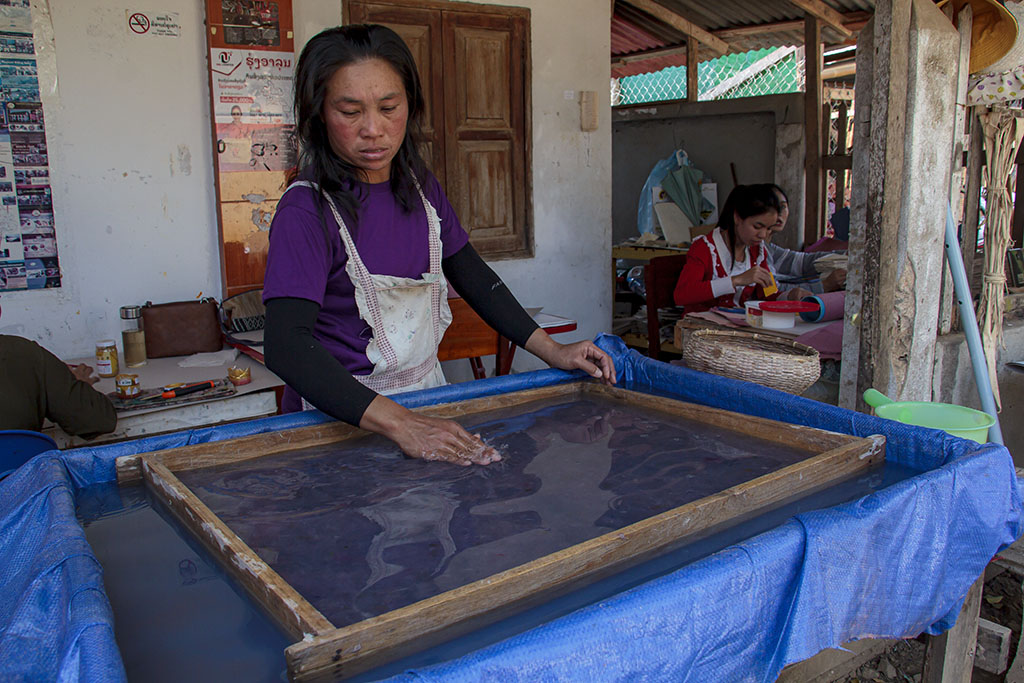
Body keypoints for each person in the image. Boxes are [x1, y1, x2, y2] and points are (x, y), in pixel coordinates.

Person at [262, 25, 615, 468]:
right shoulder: (306, 210)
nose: (373, 129)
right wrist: (402, 424)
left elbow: (472, 274)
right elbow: (286, 345)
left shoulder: (418, 186)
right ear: (318, 114)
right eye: (350, 111)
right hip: (338, 420)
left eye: (389, 108)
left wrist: (552, 349)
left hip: (424, 398)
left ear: (410, 105)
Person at [673, 184, 806, 314]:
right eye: (757, 226)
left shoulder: (757, 251)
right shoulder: (704, 248)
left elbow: (768, 294)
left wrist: (789, 296)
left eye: (769, 228)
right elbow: (682, 295)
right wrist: (736, 280)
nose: (763, 235)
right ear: (737, 217)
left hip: (734, 328)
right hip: (700, 330)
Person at [0, 334, 116, 437]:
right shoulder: (23, 353)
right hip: (23, 460)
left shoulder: (22, 352)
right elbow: (99, 420)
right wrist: (79, 387)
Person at [757, 184, 846, 294]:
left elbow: (803, 262)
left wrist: (847, 255)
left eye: (783, 206)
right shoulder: (755, 249)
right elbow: (771, 292)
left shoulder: (769, 249)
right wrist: (824, 286)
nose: (778, 213)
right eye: (772, 207)